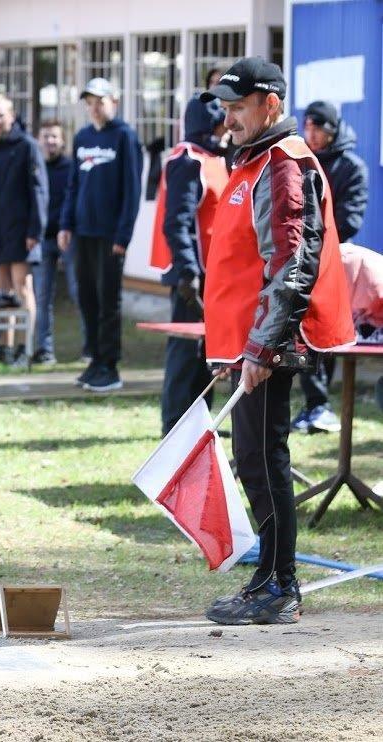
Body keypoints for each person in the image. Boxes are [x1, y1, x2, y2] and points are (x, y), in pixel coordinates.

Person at [200, 57, 355, 625]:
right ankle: (267, 577)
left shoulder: (284, 166)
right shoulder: (255, 161)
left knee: (264, 460)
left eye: (237, 107)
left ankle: (280, 585)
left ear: (270, 103)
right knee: (253, 460)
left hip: (270, 344)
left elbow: (291, 266)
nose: (228, 118)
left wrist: (263, 349)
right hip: (249, 344)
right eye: (224, 107)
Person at [150, 99, 229, 435]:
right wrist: (188, 272)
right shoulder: (188, 160)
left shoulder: (215, 158)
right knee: (185, 357)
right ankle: (174, 433)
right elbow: (177, 222)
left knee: (203, 359)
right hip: (193, 276)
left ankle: (197, 430)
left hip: (215, 275)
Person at [58, 78, 142, 392]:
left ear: (114, 102)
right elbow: (73, 186)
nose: (94, 108)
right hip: (83, 232)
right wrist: (66, 224)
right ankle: (94, 358)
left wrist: (123, 236)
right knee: (87, 298)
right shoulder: (82, 137)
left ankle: (110, 364)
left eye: (100, 101)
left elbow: (131, 190)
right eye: (89, 102)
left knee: (109, 299)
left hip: (110, 235)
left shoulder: (124, 137)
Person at [291, 100, 370, 434]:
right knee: (300, 331)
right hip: (298, 259)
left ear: (333, 129)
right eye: (307, 127)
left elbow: (350, 219)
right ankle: (314, 403)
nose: (312, 134)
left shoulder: (352, 167)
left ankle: (320, 405)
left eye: (318, 128)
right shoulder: (298, 161)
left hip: (334, 261)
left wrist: (316, 238)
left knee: (324, 330)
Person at [0, 94, 47, 366]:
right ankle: (6, 346)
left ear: (12, 116)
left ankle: (25, 348)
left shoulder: (28, 147)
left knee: (22, 289)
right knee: (1, 294)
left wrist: (35, 232)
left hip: (21, 232)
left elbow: (39, 192)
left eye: (1, 115)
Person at [33, 119, 73, 365]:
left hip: (69, 238)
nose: (50, 141)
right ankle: (45, 349)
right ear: (39, 139)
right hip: (41, 239)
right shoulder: (34, 167)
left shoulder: (71, 167)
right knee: (42, 296)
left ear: (62, 141)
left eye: (54, 137)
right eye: (46, 136)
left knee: (80, 292)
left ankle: (91, 349)